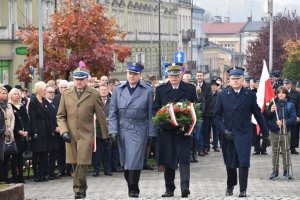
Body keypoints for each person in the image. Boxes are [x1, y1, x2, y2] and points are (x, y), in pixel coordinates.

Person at [213, 67, 269, 197]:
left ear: (243, 80)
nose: (235, 81)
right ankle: (230, 185)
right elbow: (216, 116)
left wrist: (265, 133)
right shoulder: (222, 95)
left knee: (244, 161)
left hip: (244, 132)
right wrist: (223, 130)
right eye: (233, 79)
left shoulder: (249, 95)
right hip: (228, 133)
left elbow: (258, 114)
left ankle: (243, 189)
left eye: (238, 79)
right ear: (229, 81)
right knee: (230, 162)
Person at [57, 63, 108, 199]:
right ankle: (83, 186)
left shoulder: (94, 94)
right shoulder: (66, 94)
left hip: (86, 134)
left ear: (87, 80)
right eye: (76, 79)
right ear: (73, 80)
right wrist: (64, 131)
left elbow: (101, 116)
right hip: (71, 135)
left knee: (83, 162)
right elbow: (60, 115)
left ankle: (78, 189)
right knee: (75, 163)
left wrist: (105, 135)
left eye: (82, 79)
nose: (79, 82)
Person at [109, 62, 154, 198]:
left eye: (135, 74)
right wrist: (113, 130)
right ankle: (131, 184)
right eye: (130, 73)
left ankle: (134, 188)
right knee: (125, 162)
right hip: (122, 127)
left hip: (138, 128)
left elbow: (151, 114)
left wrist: (152, 132)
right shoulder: (119, 89)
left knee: (134, 159)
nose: (132, 76)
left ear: (140, 75)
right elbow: (113, 112)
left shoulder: (147, 90)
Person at [153, 63, 197, 198]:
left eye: (176, 75)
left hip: (183, 131)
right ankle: (169, 189)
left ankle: (185, 187)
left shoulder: (189, 89)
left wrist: (187, 121)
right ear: (168, 76)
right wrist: (162, 118)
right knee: (169, 160)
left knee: (184, 159)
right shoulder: (160, 90)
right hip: (167, 131)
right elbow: (155, 108)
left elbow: (195, 107)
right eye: (171, 75)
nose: (174, 78)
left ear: (181, 75)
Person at [264, 86, 296, 180]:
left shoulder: (290, 105)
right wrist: (270, 111)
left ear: (286, 94)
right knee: (275, 151)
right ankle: (275, 171)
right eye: (279, 92)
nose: (281, 94)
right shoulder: (272, 103)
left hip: (286, 131)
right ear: (277, 94)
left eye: (283, 92)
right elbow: (266, 117)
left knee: (286, 151)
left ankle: (286, 171)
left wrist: (283, 122)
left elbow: (293, 118)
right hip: (274, 131)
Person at [28, 81, 51, 182]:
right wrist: (35, 132)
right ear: (39, 90)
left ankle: (42, 173)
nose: (45, 92)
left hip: (45, 130)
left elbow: (48, 115)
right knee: (36, 154)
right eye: (44, 90)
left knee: (44, 154)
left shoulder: (44, 101)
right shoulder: (33, 102)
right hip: (37, 130)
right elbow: (32, 118)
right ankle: (36, 174)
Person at [8, 88, 30, 183]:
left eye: (18, 94)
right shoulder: (9, 106)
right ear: (11, 96)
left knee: (20, 156)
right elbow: (11, 121)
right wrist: (18, 131)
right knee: (15, 157)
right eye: (14, 94)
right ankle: (15, 176)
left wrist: (27, 130)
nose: (16, 96)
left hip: (23, 135)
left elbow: (27, 119)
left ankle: (21, 176)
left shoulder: (22, 106)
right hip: (15, 135)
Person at [92, 84, 112, 177]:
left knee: (107, 151)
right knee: (97, 152)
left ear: (108, 91)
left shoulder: (112, 101)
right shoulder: (94, 101)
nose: (103, 91)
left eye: (105, 90)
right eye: (102, 90)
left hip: (108, 130)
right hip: (97, 130)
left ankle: (107, 169)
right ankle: (96, 169)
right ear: (98, 91)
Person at [0, 86, 15, 183]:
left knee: (7, 156)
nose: (5, 95)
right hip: (1, 134)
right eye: (2, 93)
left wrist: (10, 129)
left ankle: (5, 177)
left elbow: (12, 118)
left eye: (6, 93)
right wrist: (2, 131)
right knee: (1, 158)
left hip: (9, 134)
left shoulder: (9, 105)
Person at [283, 78, 300, 154]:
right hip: (283, 115)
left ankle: (292, 148)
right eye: (284, 83)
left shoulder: (296, 93)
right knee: (283, 132)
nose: (285, 85)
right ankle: (283, 148)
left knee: (293, 132)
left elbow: (299, 106)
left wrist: (298, 115)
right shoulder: (280, 92)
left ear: (290, 84)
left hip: (293, 115)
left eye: (287, 83)